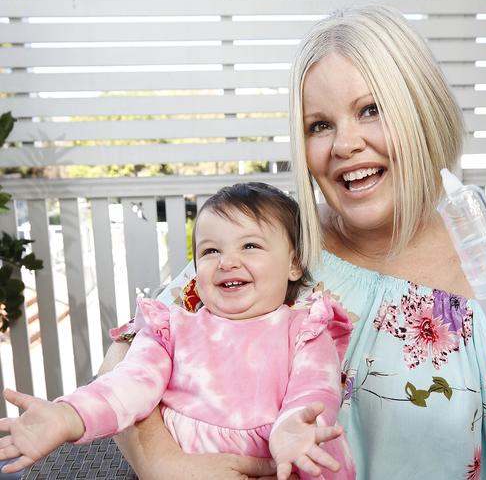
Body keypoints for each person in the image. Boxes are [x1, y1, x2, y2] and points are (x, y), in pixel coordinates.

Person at [30, 4, 486, 480]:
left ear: (423, 113)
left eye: (372, 109)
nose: (344, 144)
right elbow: (131, 356)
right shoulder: (271, 250)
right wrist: (163, 462)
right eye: (319, 125)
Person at [0, 182, 356, 480]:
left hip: (285, 459)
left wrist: (292, 428)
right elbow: (125, 386)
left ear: (294, 263)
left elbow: (314, 393)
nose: (226, 261)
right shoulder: (172, 330)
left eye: (250, 245)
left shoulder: (306, 331)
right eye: (210, 250)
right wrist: (66, 416)